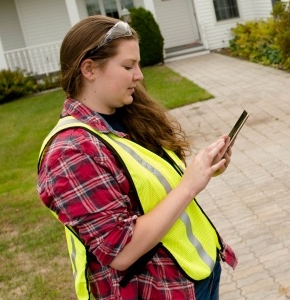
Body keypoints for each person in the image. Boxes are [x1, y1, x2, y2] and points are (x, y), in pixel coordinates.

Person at [37, 15, 236, 299]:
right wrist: (191, 184)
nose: (139, 75)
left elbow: (150, 188)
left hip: (195, 276)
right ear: (90, 69)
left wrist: (206, 169)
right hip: (159, 290)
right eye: (128, 66)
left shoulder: (124, 115)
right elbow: (120, 249)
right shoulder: (70, 153)